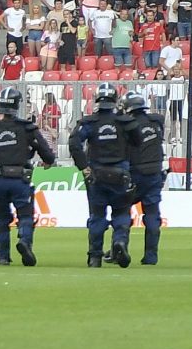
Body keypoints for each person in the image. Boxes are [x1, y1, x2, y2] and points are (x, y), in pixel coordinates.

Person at [0, 85, 53, 267]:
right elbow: (46, 152)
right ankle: (25, 241)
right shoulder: (27, 128)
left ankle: (3, 257)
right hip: (20, 179)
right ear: (17, 105)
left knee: (1, 218)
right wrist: (47, 161)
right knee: (25, 215)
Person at [71, 84, 136, 269]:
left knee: (97, 217)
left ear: (97, 100)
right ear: (115, 100)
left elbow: (75, 144)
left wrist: (83, 167)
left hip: (96, 175)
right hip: (120, 174)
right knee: (121, 213)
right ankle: (120, 242)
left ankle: (94, 257)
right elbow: (138, 141)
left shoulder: (89, 123)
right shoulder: (125, 122)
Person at [120, 90, 166, 267]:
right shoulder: (155, 122)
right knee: (153, 216)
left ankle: (120, 246)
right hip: (154, 174)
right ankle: (151, 257)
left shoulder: (127, 126)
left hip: (133, 174)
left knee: (122, 212)